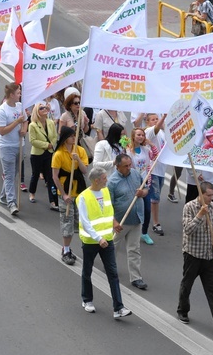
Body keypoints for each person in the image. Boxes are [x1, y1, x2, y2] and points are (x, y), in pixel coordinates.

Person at [178, 181, 213, 330]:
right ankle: (182, 311)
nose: (211, 198)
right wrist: (200, 214)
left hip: (210, 255)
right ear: (200, 193)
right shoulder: (189, 207)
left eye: (212, 195)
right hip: (193, 254)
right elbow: (188, 230)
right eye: (208, 195)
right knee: (187, 285)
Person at [78, 167, 133, 319]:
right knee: (87, 271)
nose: (106, 180)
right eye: (104, 178)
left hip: (107, 239)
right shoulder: (84, 197)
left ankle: (118, 308)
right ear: (96, 180)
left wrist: (114, 222)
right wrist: (98, 238)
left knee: (113, 273)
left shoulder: (106, 191)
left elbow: (108, 212)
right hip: (91, 241)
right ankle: (87, 300)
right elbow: (85, 221)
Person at [108, 154, 148, 290]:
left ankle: (136, 278)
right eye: (126, 166)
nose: (129, 168)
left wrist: (143, 193)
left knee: (134, 249)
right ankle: (110, 270)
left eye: (130, 164)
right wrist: (113, 222)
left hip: (136, 219)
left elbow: (146, 188)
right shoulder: (112, 182)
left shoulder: (136, 174)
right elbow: (107, 205)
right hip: (120, 222)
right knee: (113, 247)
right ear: (117, 166)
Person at [52, 125, 89, 265]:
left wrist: (77, 159)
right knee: (67, 220)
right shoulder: (58, 154)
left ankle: (86, 246)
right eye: (71, 136)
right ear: (65, 138)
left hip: (79, 191)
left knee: (81, 220)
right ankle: (66, 249)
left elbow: (85, 171)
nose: (74, 138)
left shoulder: (80, 151)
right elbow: (55, 176)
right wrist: (63, 194)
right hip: (66, 191)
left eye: (75, 136)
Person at [0, 83, 26, 216]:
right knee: (9, 175)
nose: (20, 95)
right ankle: (12, 203)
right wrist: (16, 123)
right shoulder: (2, 111)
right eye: (18, 93)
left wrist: (24, 129)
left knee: (14, 173)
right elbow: (2, 131)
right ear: (11, 95)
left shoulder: (20, 107)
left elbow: (25, 120)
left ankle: (3, 196)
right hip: (6, 146)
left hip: (19, 144)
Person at [28, 102, 58, 210]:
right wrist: (46, 145)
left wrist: (51, 144)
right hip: (37, 154)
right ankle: (32, 193)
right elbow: (32, 140)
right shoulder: (32, 125)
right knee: (35, 175)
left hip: (49, 153)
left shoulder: (50, 123)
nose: (44, 109)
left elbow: (54, 136)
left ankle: (53, 201)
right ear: (37, 112)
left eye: (45, 107)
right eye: (41, 108)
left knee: (50, 177)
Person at [144, 113, 167, 236]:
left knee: (155, 197)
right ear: (147, 122)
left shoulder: (162, 133)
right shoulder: (149, 131)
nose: (155, 121)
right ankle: (155, 223)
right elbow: (156, 128)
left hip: (161, 169)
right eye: (153, 119)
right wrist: (163, 118)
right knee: (155, 198)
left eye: (157, 119)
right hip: (153, 170)